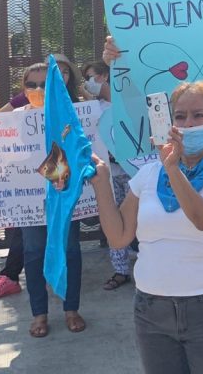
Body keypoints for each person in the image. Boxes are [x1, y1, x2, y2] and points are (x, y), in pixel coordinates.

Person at [88, 80, 203, 374]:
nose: (188, 123)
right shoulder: (148, 174)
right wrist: (101, 184)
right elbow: (119, 237)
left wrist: (173, 168)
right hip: (150, 308)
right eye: (180, 116)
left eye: (199, 115)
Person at [0, 62, 87, 336]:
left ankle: (71, 309)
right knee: (33, 253)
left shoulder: (72, 116)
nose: (38, 89)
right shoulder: (14, 117)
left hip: (63, 195)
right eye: (32, 84)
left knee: (70, 251)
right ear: (23, 88)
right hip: (30, 199)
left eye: (45, 83)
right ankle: (39, 315)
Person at [79, 60, 134, 291]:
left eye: (91, 77)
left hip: (132, 170)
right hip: (110, 173)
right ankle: (120, 269)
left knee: (141, 218)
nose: (88, 83)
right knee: (113, 220)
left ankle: (145, 260)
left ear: (103, 77)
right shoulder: (94, 107)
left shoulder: (126, 100)